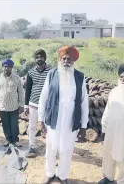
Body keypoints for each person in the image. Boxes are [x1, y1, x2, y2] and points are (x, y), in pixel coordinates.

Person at [38, 46, 89, 184]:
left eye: (69, 59)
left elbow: (84, 102)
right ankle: (49, 174)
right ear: (60, 60)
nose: (66, 61)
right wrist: (40, 119)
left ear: (74, 61)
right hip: (53, 118)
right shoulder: (52, 74)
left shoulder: (80, 76)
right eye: (64, 58)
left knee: (67, 149)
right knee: (51, 148)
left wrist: (83, 126)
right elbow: (43, 97)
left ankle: (62, 176)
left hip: (70, 120)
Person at [24, 49, 52, 158]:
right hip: (33, 104)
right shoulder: (31, 72)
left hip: (47, 105)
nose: (39, 59)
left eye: (41, 57)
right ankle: (32, 146)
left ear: (45, 58)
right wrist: (26, 105)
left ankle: (49, 150)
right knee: (32, 127)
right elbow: (28, 89)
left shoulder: (51, 71)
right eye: (37, 57)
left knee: (48, 127)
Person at [0, 58, 24, 148]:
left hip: (14, 106)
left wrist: (21, 105)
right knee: (5, 124)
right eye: (5, 66)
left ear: (12, 68)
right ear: (2, 67)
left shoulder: (17, 78)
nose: (7, 68)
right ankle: (8, 139)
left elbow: (21, 92)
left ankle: (15, 140)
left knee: (14, 124)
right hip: (2, 106)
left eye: (9, 67)